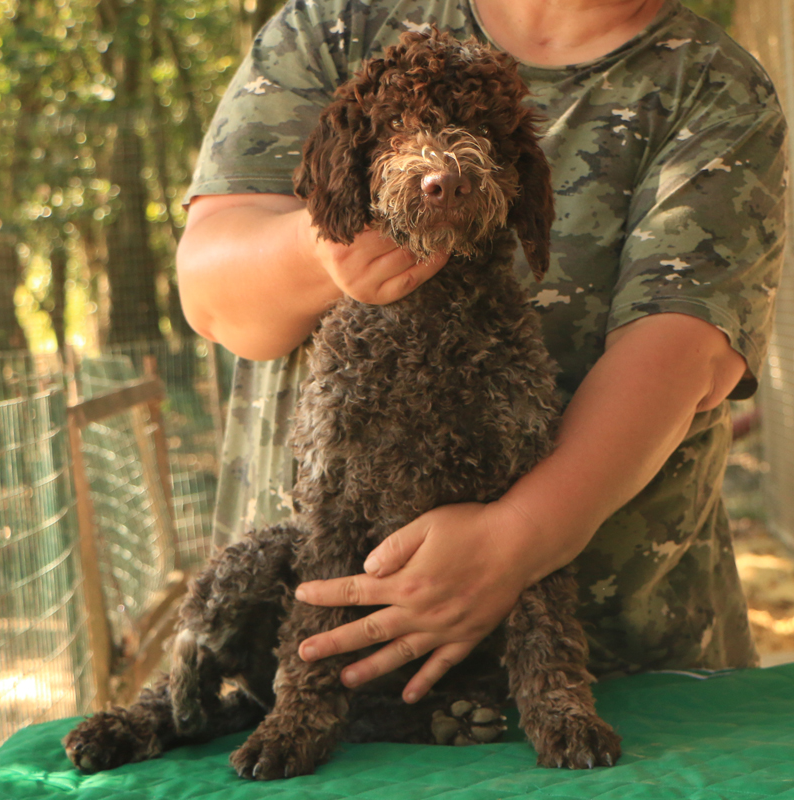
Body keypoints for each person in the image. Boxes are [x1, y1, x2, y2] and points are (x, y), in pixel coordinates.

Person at [176, 0, 787, 705]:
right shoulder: (343, 24)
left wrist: (517, 539)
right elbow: (215, 296)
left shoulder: (713, 83)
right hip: (310, 650)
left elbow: (686, 353)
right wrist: (328, 254)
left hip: (617, 673)